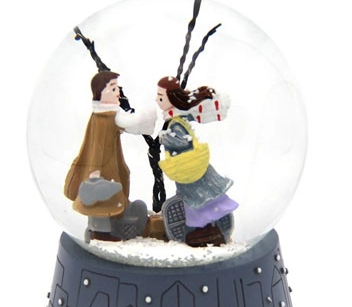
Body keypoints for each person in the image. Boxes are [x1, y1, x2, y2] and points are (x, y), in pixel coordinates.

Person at [64, 71, 155, 241]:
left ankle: (111, 223)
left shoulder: (105, 114)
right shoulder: (105, 117)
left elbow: (128, 125)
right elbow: (99, 145)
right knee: (101, 199)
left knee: (109, 194)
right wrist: (95, 172)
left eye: (117, 88)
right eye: (113, 89)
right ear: (100, 93)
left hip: (109, 163)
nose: (117, 92)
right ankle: (100, 233)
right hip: (101, 167)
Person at [156, 76, 238, 247]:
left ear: (172, 98)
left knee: (195, 200)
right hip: (189, 170)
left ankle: (204, 229)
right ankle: (204, 228)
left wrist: (166, 139)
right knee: (199, 199)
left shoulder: (175, 123)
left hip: (189, 170)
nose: (157, 100)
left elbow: (183, 141)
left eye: (161, 97)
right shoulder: (178, 117)